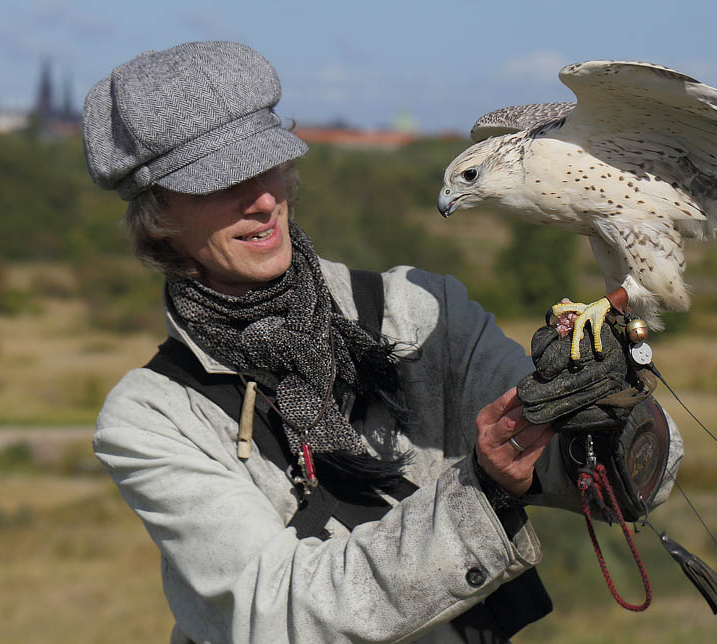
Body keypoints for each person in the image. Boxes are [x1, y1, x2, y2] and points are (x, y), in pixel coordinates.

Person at [84, 41, 682, 643]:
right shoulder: (150, 420)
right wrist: (484, 491)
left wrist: (606, 418)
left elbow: (596, 475)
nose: (262, 200)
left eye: (266, 166)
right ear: (158, 214)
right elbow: (276, 614)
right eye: (220, 183)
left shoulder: (420, 311)